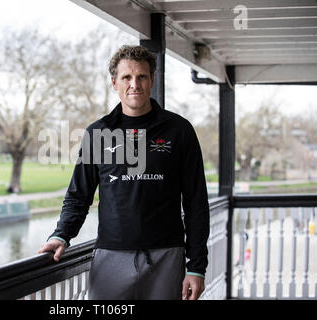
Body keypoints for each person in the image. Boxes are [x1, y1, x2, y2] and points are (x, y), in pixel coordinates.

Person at [38, 45, 210, 300]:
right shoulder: (97, 133)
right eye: (127, 77)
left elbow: (196, 202)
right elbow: (79, 195)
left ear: (152, 80)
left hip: (166, 255)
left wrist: (196, 266)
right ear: (114, 83)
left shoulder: (179, 130)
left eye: (142, 76)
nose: (135, 84)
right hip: (111, 257)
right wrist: (62, 234)